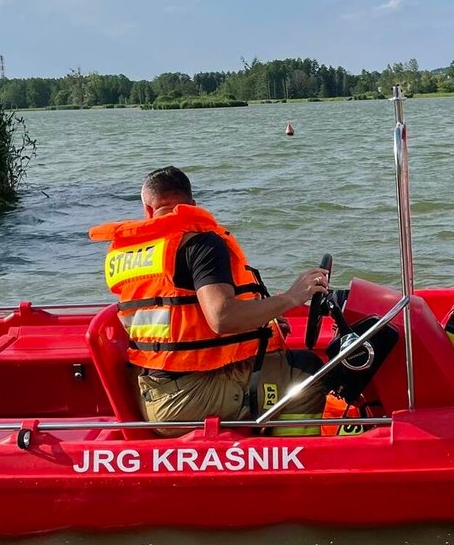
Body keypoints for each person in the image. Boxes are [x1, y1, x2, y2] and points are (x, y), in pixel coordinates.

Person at [88, 166, 329, 437]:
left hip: (152, 390)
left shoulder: (132, 251)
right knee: (307, 371)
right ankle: (292, 461)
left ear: (147, 209)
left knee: (284, 362)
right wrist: (292, 297)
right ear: (192, 204)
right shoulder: (199, 243)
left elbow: (177, 316)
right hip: (188, 398)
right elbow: (222, 317)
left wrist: (260, 320)